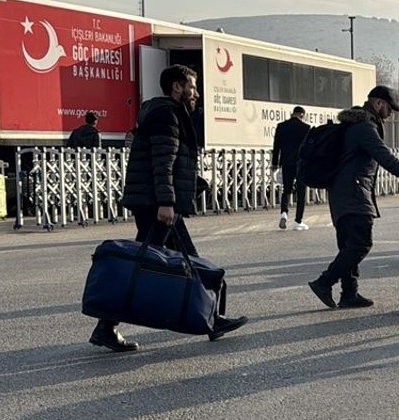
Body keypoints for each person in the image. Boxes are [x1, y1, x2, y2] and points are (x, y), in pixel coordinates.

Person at [89, 65, 248, 352]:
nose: (196, 93)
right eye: (193, 87)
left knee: (165, 261)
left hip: (155, 201)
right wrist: (167, 202)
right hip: (157, 204)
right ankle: (108, 327)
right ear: (177, 87)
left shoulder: (165, 113)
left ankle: (212, 319)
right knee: (153, 264)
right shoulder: (167, 115)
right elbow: (163, 163)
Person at [309, 86, 399, 309]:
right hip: (354, 194)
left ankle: (349, 294)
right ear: (378, 104)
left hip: (341, 193)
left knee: (349, 246)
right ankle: (324, 282)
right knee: (360, 244)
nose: (390, 113)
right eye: (388, 108)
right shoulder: (365, 128)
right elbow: (386, 158)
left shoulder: (353, 125)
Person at [272, 105, 312, 231]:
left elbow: (276, 147)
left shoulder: (281, 126)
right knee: (301, 192)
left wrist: (275, 164)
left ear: (292, 113)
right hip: (301, 164)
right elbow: (309, 148)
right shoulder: (306, 128)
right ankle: (298, 221)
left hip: (287, 163)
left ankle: (284, 213)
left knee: (286, 189)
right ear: (302, 115)